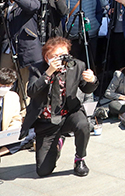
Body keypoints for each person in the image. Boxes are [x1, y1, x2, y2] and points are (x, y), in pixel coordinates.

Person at [22, 37, 98, 177]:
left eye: (64, 55)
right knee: (43, 171)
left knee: (82, 124)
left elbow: (86, 88)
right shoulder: (37, 68)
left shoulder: (76, 65)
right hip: (47, 122)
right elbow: (31, 91)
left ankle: (80, 159)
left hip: (69, 113)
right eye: (56, 56)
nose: (61, 59)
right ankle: (58, 143)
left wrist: (92, 80)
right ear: (46, 57)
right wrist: (49, 72)